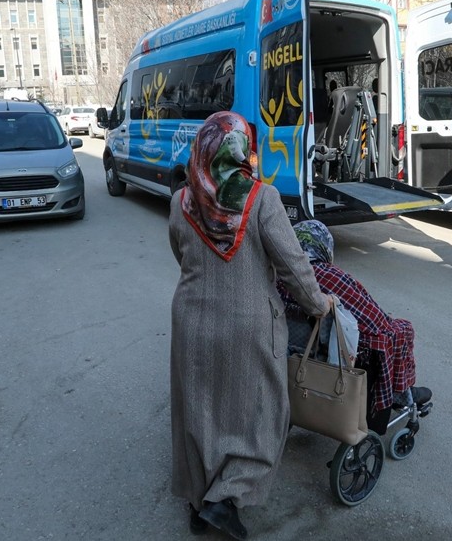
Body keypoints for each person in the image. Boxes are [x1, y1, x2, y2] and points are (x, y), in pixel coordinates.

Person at [168, 111, 332, 540]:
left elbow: (179, 252)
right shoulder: (262, 198)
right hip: (249, 323)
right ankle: (225, 499)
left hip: (191, 320)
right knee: (262, 410)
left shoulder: (181, 200)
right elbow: (293, 265)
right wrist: (319, 304)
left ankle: (198, 499)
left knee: (199, 409)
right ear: (240, 150)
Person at [278, 220, 431, 421]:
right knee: (401, 329)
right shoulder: (329, 276)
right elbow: (377, 323)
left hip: (291, 348)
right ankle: (401, 393)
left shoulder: (279, 274)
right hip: (334, 352)